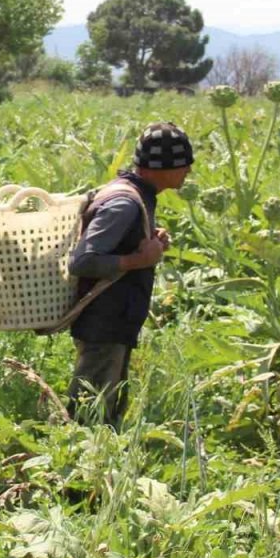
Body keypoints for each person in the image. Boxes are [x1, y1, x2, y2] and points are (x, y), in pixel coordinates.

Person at [66, 123, 193, 427]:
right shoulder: (125, 203)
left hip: (115, 322)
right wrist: (139, 260)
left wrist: (149, 237)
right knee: (88, 416)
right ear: (160, 167)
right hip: (104, 323)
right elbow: (83, 261)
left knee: (105, 409)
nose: (189, 170)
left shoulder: (137, 194)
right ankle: (71, 454)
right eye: (183, 163)